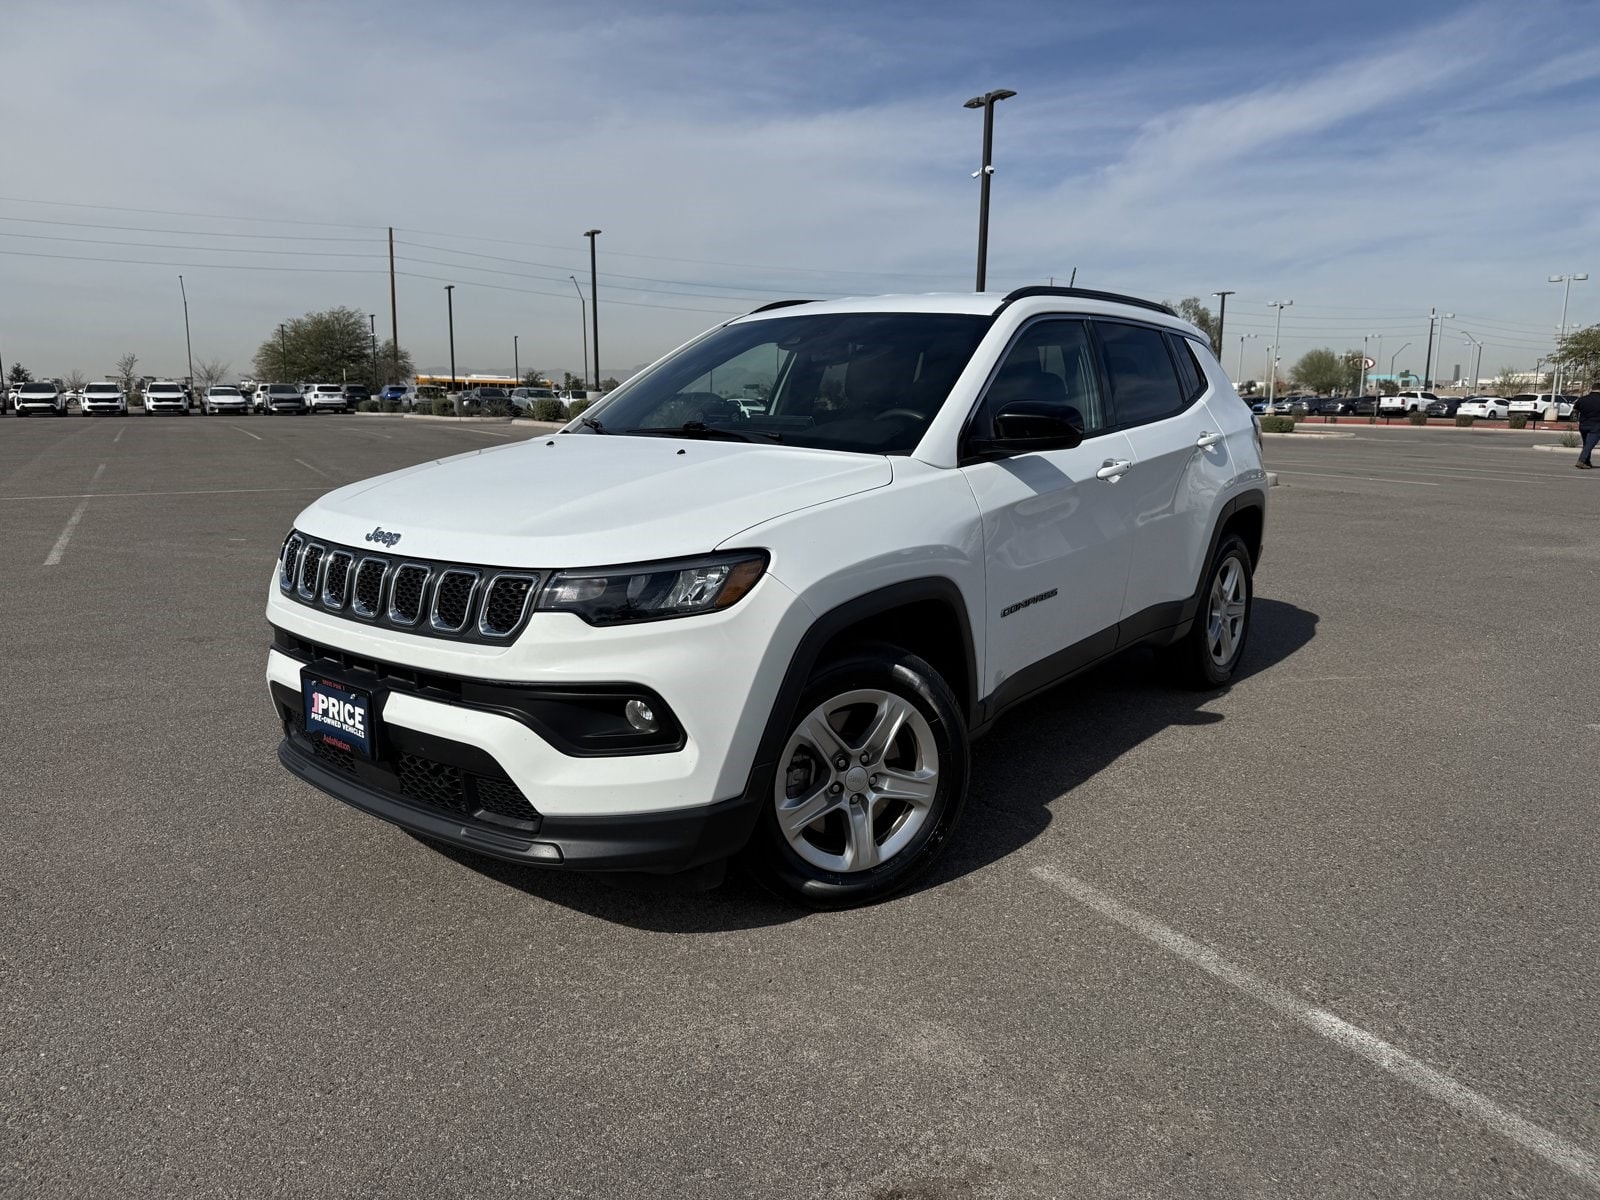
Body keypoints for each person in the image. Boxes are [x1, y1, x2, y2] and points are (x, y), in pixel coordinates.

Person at [1575, 391, 1600, 469]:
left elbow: (1576, 409)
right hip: (1596, 426)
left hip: (1583, 425)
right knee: (1589, 444)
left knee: (1586, 444)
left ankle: (1587, 461)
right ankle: (1581, 461)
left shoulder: (1582, 399)